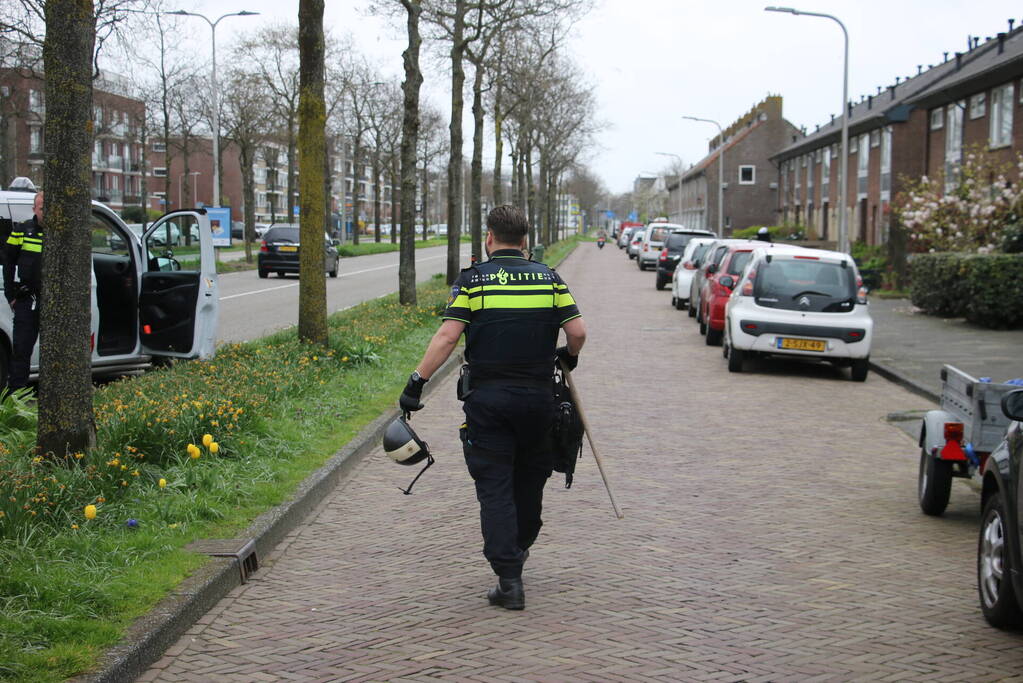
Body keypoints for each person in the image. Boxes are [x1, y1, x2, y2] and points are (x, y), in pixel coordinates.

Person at [398, 204, 587, 611]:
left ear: (489, 238)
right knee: (531, 480)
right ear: (526, 241)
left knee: (495, 486)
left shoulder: (474, 282)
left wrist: (416, 383)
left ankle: (509, 578)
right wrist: (568, 357)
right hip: (539, 402)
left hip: (489, 403)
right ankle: (517, 549)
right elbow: (578, 331)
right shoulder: (550, 279)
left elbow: (448, 337)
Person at [4, 191, 44, 389]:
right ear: (34, 209)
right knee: (21, 351)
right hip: (27, 298)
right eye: (42, 208)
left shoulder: (60, 235)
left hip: (51, 301)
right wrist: (10, 295)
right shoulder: (22, 230)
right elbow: (8, 262)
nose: (46, 212)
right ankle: (16, 401)